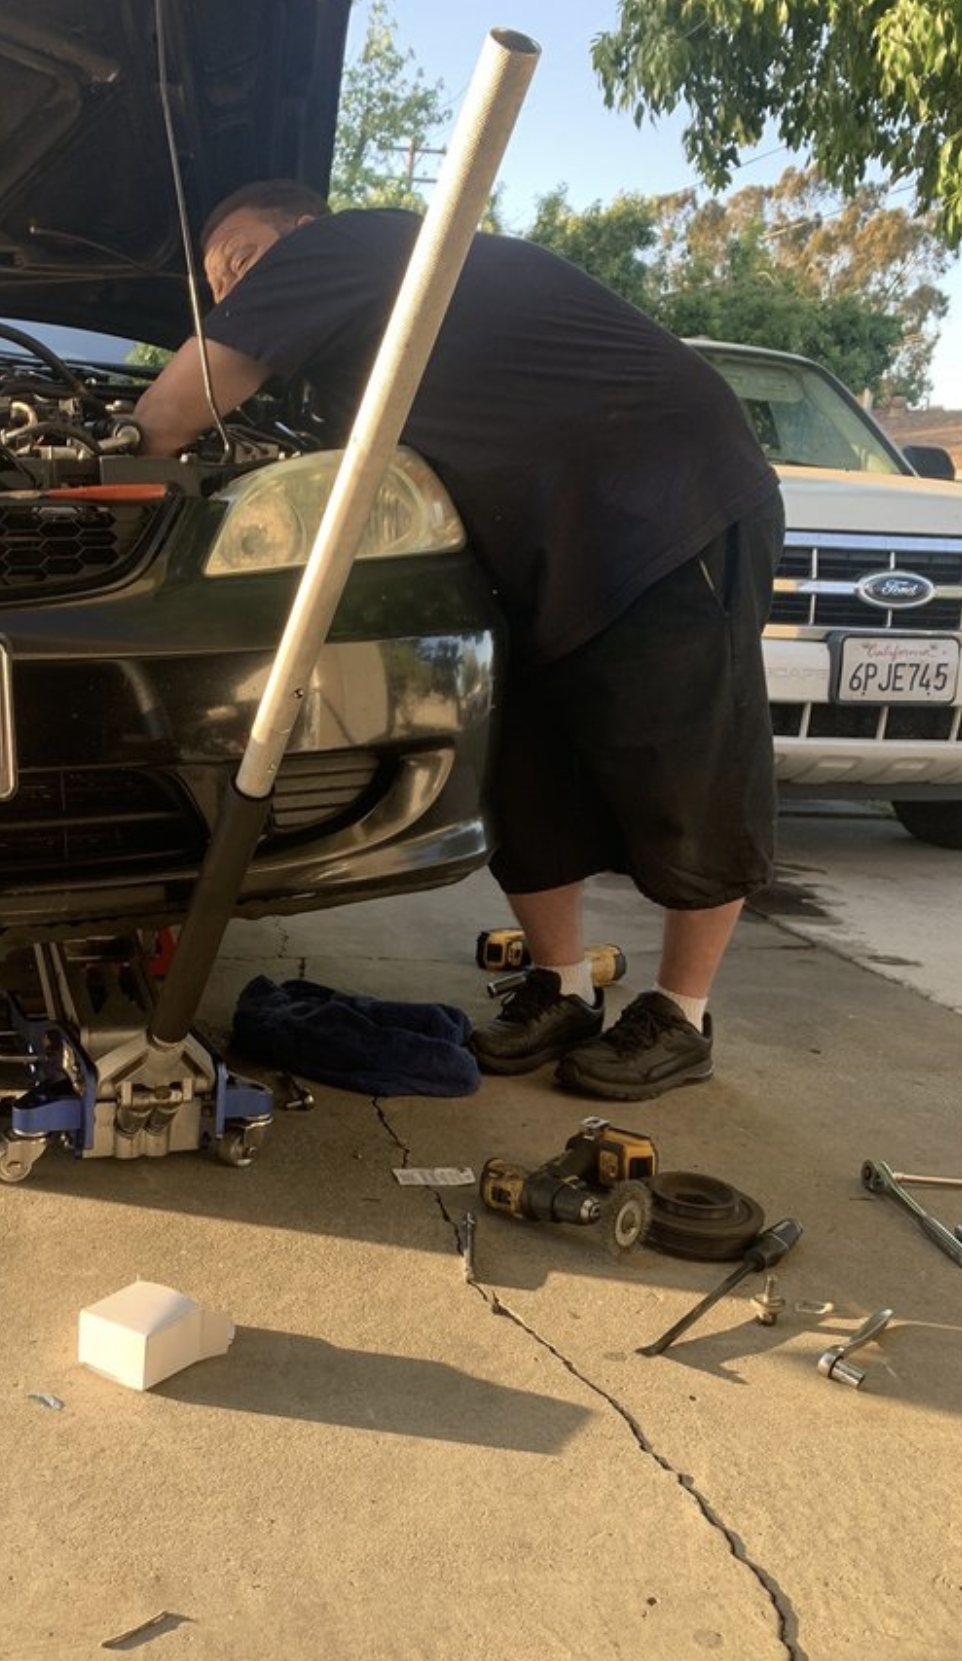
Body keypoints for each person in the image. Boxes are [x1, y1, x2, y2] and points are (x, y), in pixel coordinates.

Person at [133, 179, 784, 1102]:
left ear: (303, 229)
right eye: (220, 282)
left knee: (690, 759)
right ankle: (559, 988)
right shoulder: (353, 335)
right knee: (527, 765)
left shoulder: (350, 245)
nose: (234, 291)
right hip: (542, 539)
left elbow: (166, 416)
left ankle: (682, 1014)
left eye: (239, 262)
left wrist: (101, 455)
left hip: (662, 502)